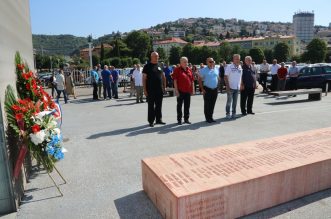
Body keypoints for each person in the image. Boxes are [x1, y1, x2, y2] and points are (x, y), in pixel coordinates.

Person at [143, 52, 166, 127]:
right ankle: (151, 121)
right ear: (151, 57)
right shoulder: (147, 66)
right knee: (151, 106)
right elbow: (144, 79)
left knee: (159, 105)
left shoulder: (160, 65)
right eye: (155, 56)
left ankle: (159, 119)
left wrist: (164, 87)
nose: (157, 58)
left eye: (158, 56)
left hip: (159, 89)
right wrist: (145, 90)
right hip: (150, 90)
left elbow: (163, 77)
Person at [173, 57, 194, 125]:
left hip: (188, 91)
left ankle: (186, 119)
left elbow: (192, 80)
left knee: (187, 106)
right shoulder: (177, 70)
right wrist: (176, 90)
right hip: (180, 91)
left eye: (187, 62)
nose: (186, 63)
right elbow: (175, 80)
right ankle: (179, 120)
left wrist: (192, 89)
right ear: (181, 63)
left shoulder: (189, 70)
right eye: (184, 62)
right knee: (179, 106)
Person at [198, 57, 219, 123]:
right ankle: (207, 118)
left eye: (212, 61)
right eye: (210, 62)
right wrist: (202, 89)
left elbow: (217, 78)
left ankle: (211, 117)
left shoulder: (216, 69)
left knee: (212, 104)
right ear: (206, 62)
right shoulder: (203, 70)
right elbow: (199, 80)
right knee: (207, 104)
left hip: (215, 89)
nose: (211, 63)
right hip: (207, 89)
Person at [225, 54, 243, 119]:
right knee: (229, 102)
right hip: (230, 87)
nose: (238, 60)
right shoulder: (229, 66)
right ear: (233, 59)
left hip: (237, 87)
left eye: (238, 59)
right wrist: (227, 86)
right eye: (236, 59)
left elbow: (241, 77)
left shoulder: (240, 67)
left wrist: (241, 85)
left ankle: (234, 113)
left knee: (235, 102)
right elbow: (225, 76)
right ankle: (227, 114)